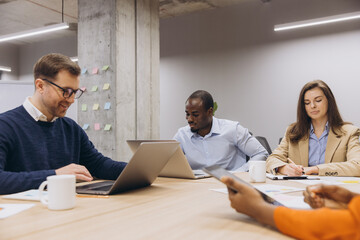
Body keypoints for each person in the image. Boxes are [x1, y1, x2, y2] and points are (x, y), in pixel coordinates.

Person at [0, 53, 127, 194]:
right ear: (41, 86)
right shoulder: (5, 126)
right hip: (28, 213)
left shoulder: (71, 128)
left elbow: (99, 165)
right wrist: (55, 175)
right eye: (66, 91)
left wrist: (142, 169)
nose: (71, 100)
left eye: (74, 92)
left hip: (66, 210)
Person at [266, 80, 360, 176]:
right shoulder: (293, 131)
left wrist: (315, 169)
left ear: (329, 101)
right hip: (299, 188)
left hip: (331, 188)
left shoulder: (349, 132)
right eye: (307, 103)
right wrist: (283, 168)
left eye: (318, 100)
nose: (312, 106)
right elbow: (271, 160)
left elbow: (357, 166)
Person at [221, 176, 360, 240]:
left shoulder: (348, 132)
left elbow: (349, 226)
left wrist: (259, 209)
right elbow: (274, 158)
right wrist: (349, 201)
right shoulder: (293, 131)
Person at [173, 90, 268, 171]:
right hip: (197, 185)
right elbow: (167, 162)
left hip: (229, 184)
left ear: (210, 112)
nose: (189, 119)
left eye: (195, 114)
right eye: (187, 114)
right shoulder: (182, 135)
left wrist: (239, 173)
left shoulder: (233, 129)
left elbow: (261, 154)